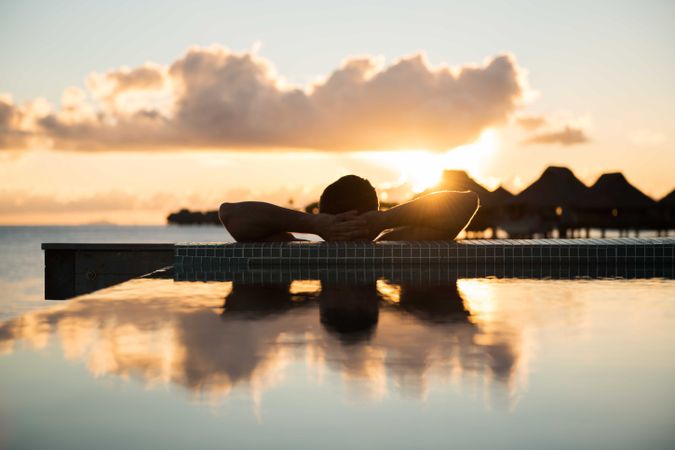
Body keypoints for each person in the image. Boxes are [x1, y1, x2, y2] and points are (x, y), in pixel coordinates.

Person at [218, 174, 479, 242]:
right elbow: (467, 202)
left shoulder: (292, 249)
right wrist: (382, 221)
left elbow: (230, 214)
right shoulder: (399, 244)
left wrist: (313, 224)